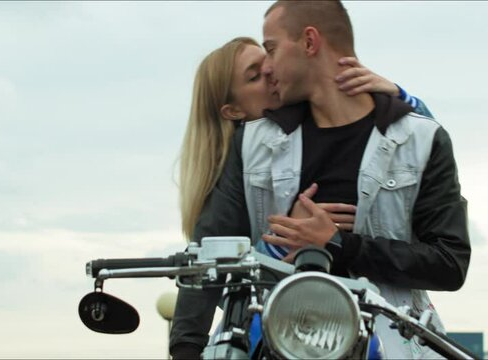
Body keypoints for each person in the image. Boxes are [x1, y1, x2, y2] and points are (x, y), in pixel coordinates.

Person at [172, 16, 451, 360]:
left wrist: (400, 98)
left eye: (270, 59)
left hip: (384, 330)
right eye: (255, 76)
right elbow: (212, 260)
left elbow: (422, 157)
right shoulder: (244, 164)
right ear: (233, 111)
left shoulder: (351, 129)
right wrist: (283, 236)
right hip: (285, 333)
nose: (272, 72)